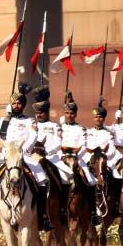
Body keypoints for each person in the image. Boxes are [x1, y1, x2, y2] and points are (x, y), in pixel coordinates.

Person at [0, 82, 53, 235]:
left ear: (23, 105)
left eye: (19, 103)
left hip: (24, 156)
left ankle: (44, 217)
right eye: (14, 102)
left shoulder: (29, 121)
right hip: (6, 158)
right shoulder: (3, 121)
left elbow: (34, 136)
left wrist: (24, 149)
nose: (16, 105)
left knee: (42, 180)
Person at [30, 85, 70, 224]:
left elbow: (59, 142)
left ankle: (63, 210)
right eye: (37, 112)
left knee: (66, 177)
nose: (39, 114)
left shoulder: (55, 126)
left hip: (50, 157)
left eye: (42, 112)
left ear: (47, 112)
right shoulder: (31, 125)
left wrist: (47, 152)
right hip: (32, 157)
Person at [60, 94, 101, 225]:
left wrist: (74, 153)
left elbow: (84, 145)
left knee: (91, 180)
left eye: (72, 113)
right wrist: (63, 153)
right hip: (62, 160)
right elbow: (55, 144)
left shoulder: (81, 129)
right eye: (67, 113)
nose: (69, 115)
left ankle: (94, 213)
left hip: (77, 159)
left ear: (76, 114)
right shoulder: (59, 128)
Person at [83, 99, 122, 216]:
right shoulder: (87, 132)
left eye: (100, 117)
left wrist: (102, 156)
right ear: (93, 118)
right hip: (89, 161)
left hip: (105, 162)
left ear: (104, 119)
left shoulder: (108, 133)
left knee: (117, 177)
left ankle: (115, 205)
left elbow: (112, 151)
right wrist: (91, 157)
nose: (98, 119)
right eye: (96, 117)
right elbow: (84, 148)